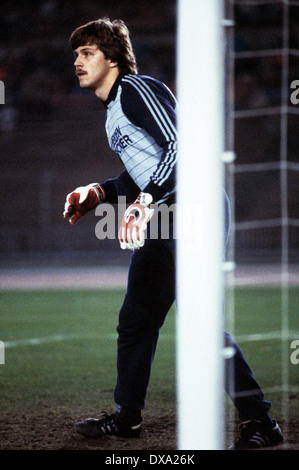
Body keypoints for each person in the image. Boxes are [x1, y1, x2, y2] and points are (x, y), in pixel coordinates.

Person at [63, 18, 283, 449]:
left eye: (86, 52)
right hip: (166, 217)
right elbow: (145, 168)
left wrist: (145, 203)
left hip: (194, 208)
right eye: (75, 54)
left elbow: (183, 146)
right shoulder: (113, 111)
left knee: (200, 323)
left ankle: (262, 422)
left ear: (111, 58)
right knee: (136, 319)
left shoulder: (135, 88)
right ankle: (127, 417)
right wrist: (101, 191)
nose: (77, 61)